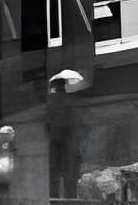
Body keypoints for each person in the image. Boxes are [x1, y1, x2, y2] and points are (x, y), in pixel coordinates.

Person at [44, 70, 86, 202]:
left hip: (55, 141)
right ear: (65, 86)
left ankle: (54, 201)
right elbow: (77, 122)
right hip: (69, 142)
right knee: (70, 176)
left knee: (54, 176)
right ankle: (70, 201)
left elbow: (47, 124)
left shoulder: (50, 102)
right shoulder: (71, 100)